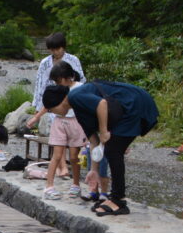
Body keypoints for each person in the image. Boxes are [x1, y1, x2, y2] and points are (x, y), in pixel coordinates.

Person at [41, 78, 158, 216]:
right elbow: (93, 141)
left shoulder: (75, 96)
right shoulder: (78, 111)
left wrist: (103, 131)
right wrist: (94, 170)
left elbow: (101, 104)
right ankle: (116, 198)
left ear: (58, 102)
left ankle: (118, 201)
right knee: (111, 150)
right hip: (127, 108)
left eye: (50, 109)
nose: (53, 113)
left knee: (113, 150)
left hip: (135, 103)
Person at [27, 32, 86, 191]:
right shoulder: (45, 63)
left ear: (63, 47)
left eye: (57, 49)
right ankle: (61, 169)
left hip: (71, 105)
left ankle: (73, 179)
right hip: (52, 101)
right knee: (57, 141)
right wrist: (38, 108)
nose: (55, 52)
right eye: (52, 49)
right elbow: (40, 83)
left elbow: (81, 80)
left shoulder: (73, 60)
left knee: (74, 152)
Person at [50, 62, 111, 202]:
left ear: (66, 78)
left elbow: (99, 106)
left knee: (103, 163)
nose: (57, 84)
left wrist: (103, 131)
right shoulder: (61, 91)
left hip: (87, 127)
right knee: (91, 161)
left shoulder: (81, 89)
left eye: (58, 80)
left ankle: (105, 192)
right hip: (87, 130)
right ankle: (93, 190)